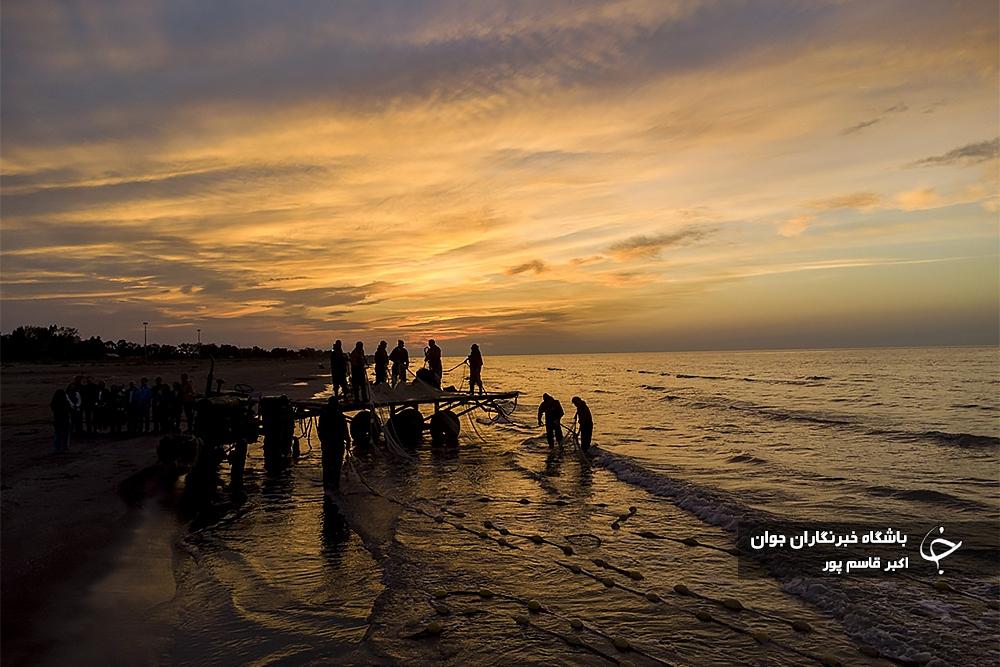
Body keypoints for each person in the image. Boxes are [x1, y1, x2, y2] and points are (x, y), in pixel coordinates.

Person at [317, 396, 351, 494]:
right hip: (336, 444)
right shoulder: (339, 415)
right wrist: (348, 441)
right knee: (336, 465)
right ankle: (335, 486)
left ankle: (327, 487)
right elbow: (345, 430)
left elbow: (320, 430)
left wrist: (323, 441)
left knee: (327, 466)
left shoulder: (323, 415)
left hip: (328, 444)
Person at [51, 388, 72, 453]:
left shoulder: (54, 402)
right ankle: (65, 447)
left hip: (57, 419)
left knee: (58, 435)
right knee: (65, 434)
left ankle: (57, 448)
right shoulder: (66, 402)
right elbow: (70, 409)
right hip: (65, 419)